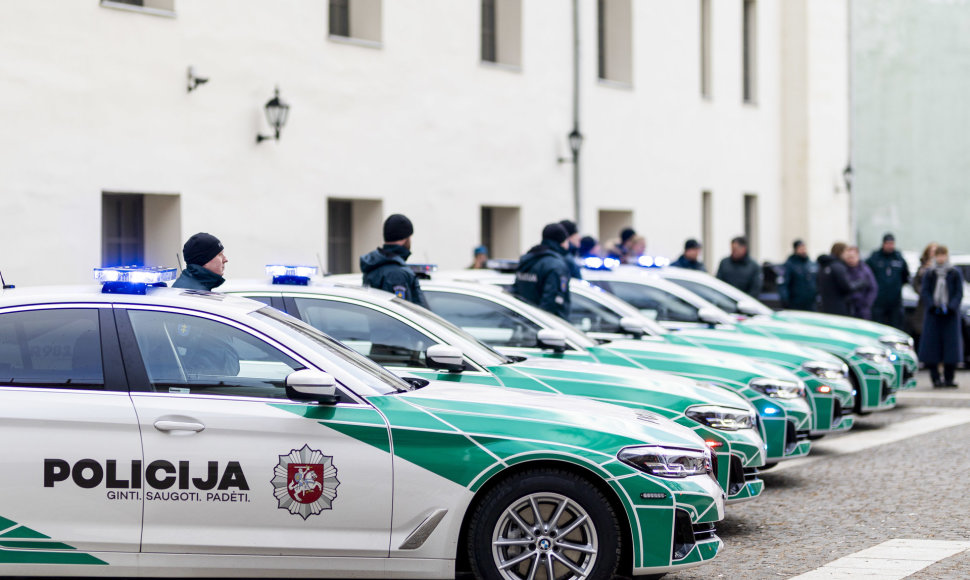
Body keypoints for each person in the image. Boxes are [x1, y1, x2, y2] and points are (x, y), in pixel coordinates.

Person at [918, 245, 964, 387]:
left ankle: (949, 378)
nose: (941, 258)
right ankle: (935, 378)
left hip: (950, 315)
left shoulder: (954, 272)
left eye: (943, 255)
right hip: (933, 315)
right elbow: (924, 291)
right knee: (933, 347)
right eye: (938, 255)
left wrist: (952, 306)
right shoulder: (930, 273)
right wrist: (932, 305)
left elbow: (959, 292)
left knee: (951, 348)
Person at [360, 214, 428, 307]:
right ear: (405, 239)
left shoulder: (375, 265)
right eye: (410, 237)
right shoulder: (396, 273)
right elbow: (403, 313)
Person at [512, 223, 572, 319]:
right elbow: (551, 302)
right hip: (546, 326)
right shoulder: (556, 265)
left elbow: (515, 292)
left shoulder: (527, 260)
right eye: (567, 241)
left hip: (522, 322)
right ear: (561, 241)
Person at [866, 233, 911, 329]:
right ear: (883, 244)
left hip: (895, 301)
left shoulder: (898, 258)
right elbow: (867, 275)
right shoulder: (875, 258)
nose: (890, 246)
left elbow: (905, 276)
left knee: (896, 326)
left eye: (892, 243)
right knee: (878, 326)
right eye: (888, 243)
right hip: (879, 300)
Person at [911, 242, 939, 347]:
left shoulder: (941, 268)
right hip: (923, 304)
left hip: (936, 303)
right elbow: (915, 284)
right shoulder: (922, 268)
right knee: (920, 330)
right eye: (931, 251)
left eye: (935, 251)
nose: (932, 254)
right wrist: (923, 292)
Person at [778, 239, 817, 311]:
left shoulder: (810, 264)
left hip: (810, 304)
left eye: (804, 248)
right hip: (795, 304)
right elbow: (783, 284)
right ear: (795, 250)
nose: (803, 250)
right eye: (801, 248)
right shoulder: (789, 264)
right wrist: (785, 300)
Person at [817, 242, 853, 315]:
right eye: (846, 251)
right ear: (841, 252)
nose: (848, 254)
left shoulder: (823, 266)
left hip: (824, 306)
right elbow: (846, 287)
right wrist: (860, 283)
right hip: (838, 308)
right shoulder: (838, 267)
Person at [843, 245, 878, 319]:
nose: (850, 259)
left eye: (852, 257)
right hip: (848, 308)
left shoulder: (865, 270)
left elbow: (873, 287)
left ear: (857, 256)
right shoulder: (843, 269)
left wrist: (866, 304)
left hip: (862, 309)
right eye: (848, 257)